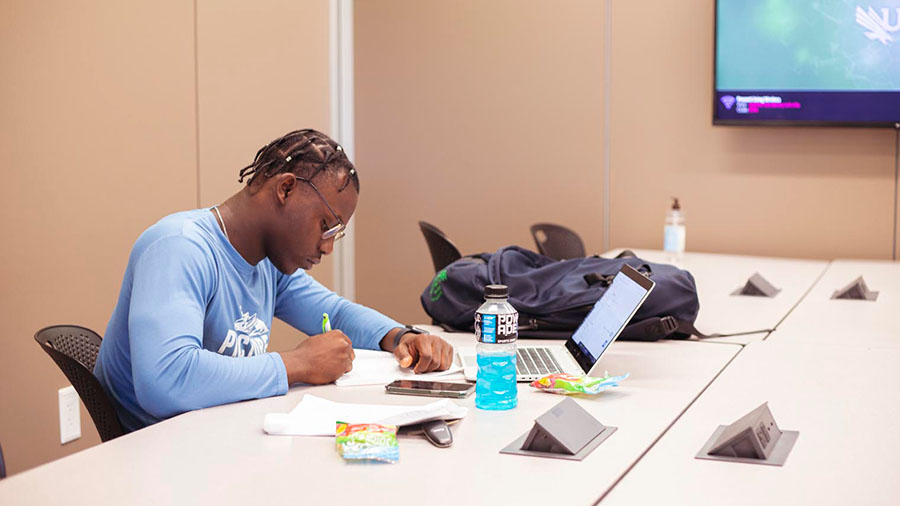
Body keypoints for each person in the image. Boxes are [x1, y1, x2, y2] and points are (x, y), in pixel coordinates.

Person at [94, 129, 454, 432]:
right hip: (161, 457)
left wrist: (403, 337)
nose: (327, 247)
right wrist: (297, 364)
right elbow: (166, 380)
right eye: (327, 225)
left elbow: (334, 312)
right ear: (285, 189)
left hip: (214, 439)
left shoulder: (266, 264)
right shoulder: (179, 248)